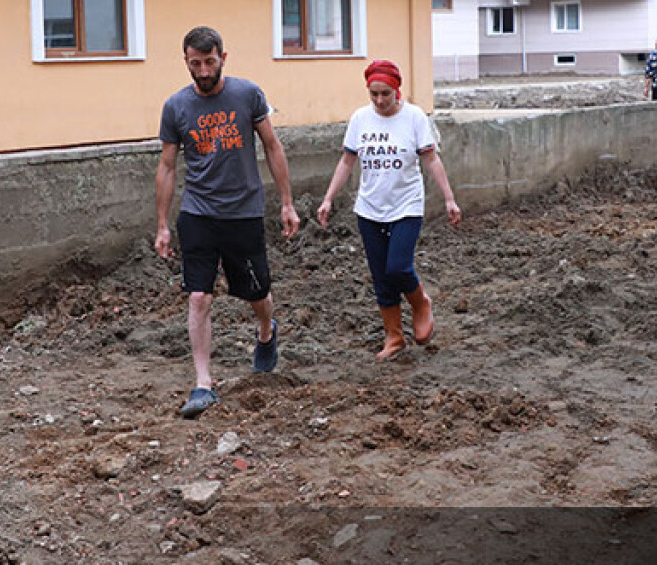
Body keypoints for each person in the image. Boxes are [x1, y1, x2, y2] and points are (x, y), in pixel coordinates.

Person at [155, 26, 300, 419]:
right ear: (186, 62)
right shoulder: (176, 107)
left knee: (256, 294)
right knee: (199, 296)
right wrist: (163, 225)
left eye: (209, 61)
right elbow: (167, 167)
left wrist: (286, 203)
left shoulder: (247, 95)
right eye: (195, 63)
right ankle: (203, 384)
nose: (203, 70)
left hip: (244, 212)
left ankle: (267, 332)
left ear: (223, 57)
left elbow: (272, 146)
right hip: (198, 213)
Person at [316, 60, 462, 361]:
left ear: (398, 90)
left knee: (398, 267)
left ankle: (420, 302)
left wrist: (449, 198)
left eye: (386, 94)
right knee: (381, 276)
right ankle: (394, 336)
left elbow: (431, 160)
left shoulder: (414, 118)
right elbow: (347, 161)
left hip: (406, 205)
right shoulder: (360, 119)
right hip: (369, 208)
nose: (380, 101)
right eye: (374, 94)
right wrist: (328, 198)